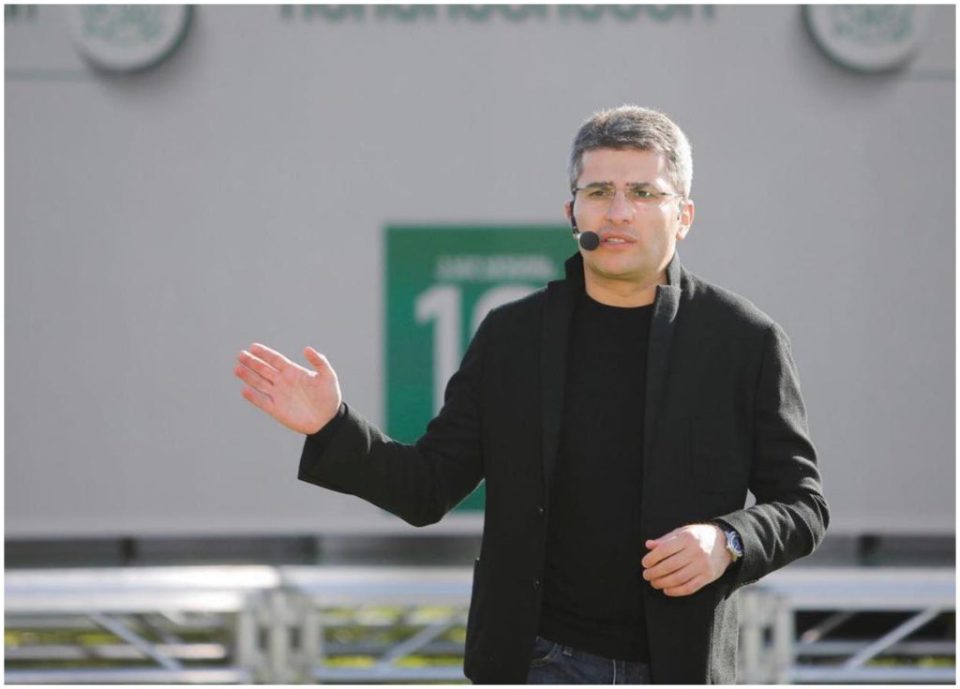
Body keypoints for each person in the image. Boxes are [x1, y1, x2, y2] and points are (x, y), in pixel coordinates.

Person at [234, 105, 829, 684]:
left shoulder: (744, 340)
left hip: (681, 666)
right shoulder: (513, 336)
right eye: (599, 192)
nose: (619, 212)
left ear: (685, 215)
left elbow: (803, 505)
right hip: (536, 663)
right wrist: (331, 425)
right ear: (572, 211)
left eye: (644, 193)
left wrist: (727, 541)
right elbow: (426, 489)